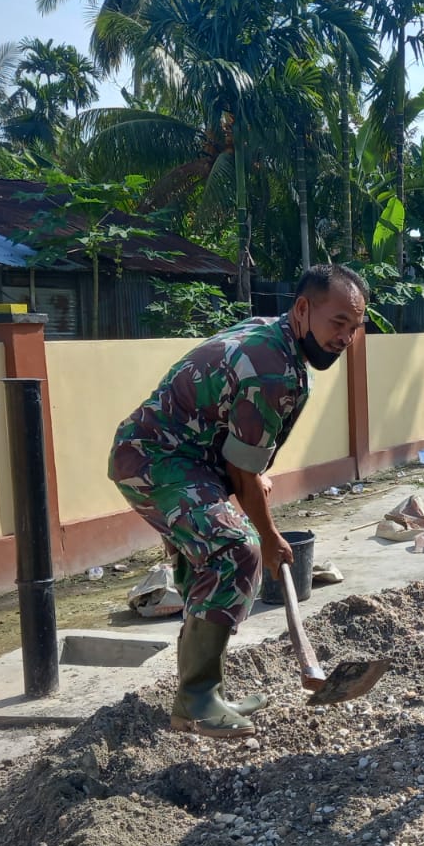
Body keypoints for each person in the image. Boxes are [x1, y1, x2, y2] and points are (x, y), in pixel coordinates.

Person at [109, 264, 368, 739]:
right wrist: (268, 539)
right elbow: (243, 471)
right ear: (303, 309)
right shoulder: (273, 372)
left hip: (186, 460)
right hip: (156, 459)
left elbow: (241, 451)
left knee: (210, 559)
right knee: (236, 549)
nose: (346, 337)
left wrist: (249, 478)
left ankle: (205, 692)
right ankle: (196, 701)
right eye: (338, 323)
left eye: (355, 327)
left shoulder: (274, 340)